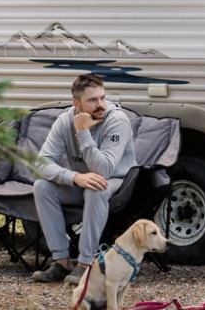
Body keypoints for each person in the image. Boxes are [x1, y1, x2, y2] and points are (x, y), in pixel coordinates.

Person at [29, 72, 136, 283]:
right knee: (42, 186)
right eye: (93, 100)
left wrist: (83, 132)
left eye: (102, 97)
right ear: (76, 103)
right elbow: (41, 163)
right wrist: (74, 177)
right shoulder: (64, 121)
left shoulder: (117, 121)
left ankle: (86, 263)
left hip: (116, 181)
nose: (101, 105)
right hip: (83, 181)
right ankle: (61, 262)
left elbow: (104, 170)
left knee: (96, 188)